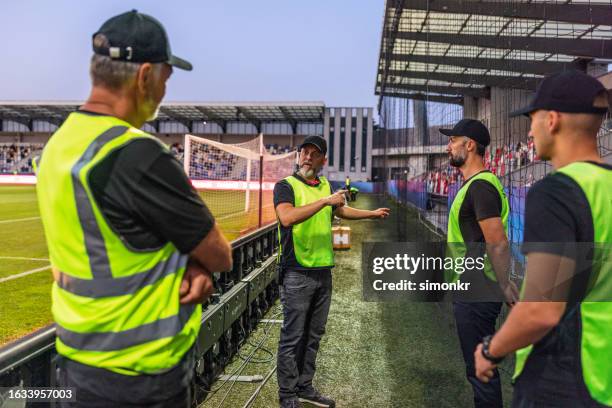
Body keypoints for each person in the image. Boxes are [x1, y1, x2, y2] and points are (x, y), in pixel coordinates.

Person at [36, 10, 233, 407]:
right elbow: (221, 254)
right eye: (166, 77)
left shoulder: (59, 144)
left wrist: (191, 264)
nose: (165, 89)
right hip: (139, 378)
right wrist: (198, 263)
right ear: (144, 76)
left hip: (73, 365)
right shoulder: (137, 154)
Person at [475, 70, 611, 407]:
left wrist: (491, 350)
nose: (529, 130)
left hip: (565, 379)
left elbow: (541, 310)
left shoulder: (556, 192)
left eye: (531, 119)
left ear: (551, 120)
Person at [274, 135, 389, 408]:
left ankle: (304, 386)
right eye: (305, 152)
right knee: (293, 336)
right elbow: (287, 217)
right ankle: (287, 394)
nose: (308, 156)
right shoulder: (285, 186)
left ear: (323, 160)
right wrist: (325, 202)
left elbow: (342, 210)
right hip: (296, 271)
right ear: (299, 155)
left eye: (315, 153)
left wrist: (371, 215)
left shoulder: (325, 185)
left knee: (314, 335)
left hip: (323, 271)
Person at [440, 119, 515, 408]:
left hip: (477, 290)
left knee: (480, 372)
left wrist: (505, 286)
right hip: (474, 288)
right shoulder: (476, 185)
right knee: (479, 370)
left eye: (453, 140)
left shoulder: (481, 186)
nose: (448, 146)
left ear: (469, 145)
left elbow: (497, 241)